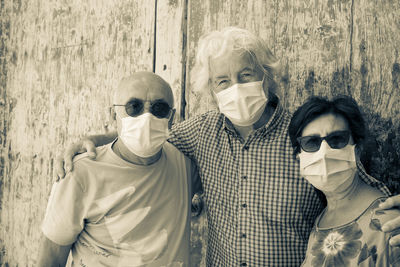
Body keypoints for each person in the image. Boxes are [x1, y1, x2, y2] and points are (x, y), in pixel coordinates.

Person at [54, 27, 400, 266]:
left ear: (267, 75)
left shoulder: (303, 136)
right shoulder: (200, 132)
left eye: (246, 75)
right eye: (223, 80)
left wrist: (390, 215)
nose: (235, 87)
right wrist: (98, 141)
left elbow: (351, 184)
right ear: (212, 90)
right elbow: (145, 137)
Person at [38, 72, 198, 266]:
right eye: (134, 107)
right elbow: (51, 259)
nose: (146, 118)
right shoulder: (79, 173)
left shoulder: (184, 165)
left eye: (159, 108)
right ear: (114, 114)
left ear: (171, 118)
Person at [288, 96, 400, 266]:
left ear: (357, 150)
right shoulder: (321, 222)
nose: (324, 152)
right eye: (312, 142)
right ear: (299, 158)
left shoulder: (389, 224)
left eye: (337, 139)